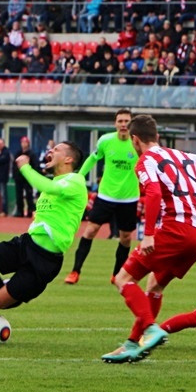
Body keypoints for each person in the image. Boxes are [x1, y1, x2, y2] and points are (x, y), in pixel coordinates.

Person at [101, 114, 196, 363]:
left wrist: (149, 234)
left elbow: (152, 193)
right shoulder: (183, 156)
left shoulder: (145, 161)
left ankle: (151, 328)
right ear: (158, 137)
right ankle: (133, 343)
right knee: (155, 286)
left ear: (134, 140)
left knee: (122, 279)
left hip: (176, 229)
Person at [0, 141, 88, 308]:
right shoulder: (53, 184)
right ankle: (3, 286)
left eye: (56, 149)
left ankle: (22, 289)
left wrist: (25, 167)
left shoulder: (75, 180)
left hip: (46, 260)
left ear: (68, 159)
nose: (50, 151)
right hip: (26, 244)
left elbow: (49, 187)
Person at [64, 109, 139, 285]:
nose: (123, 124)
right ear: (115, 123)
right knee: (90, 231)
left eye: (126, 121)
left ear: (131, 123)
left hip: (129, 198)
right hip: (106, 196)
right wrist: (79, 177)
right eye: (120, 121)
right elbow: (92, 158)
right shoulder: (106, 140)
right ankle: (75, 271)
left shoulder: (137, 143)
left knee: (126, 238)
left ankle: (116, 275)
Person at [12, 136, 36, 217]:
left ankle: (30, 211)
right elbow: (14, 165)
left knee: (29, 195)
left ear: (28, 144)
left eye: (25, 142)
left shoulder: (31, 154)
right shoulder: (18, 153)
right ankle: (19, 211)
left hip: (27, 178)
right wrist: (15, 175)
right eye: (22, 142)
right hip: (19, 178)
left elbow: (35, 165)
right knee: (19, 195)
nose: (23, 144)